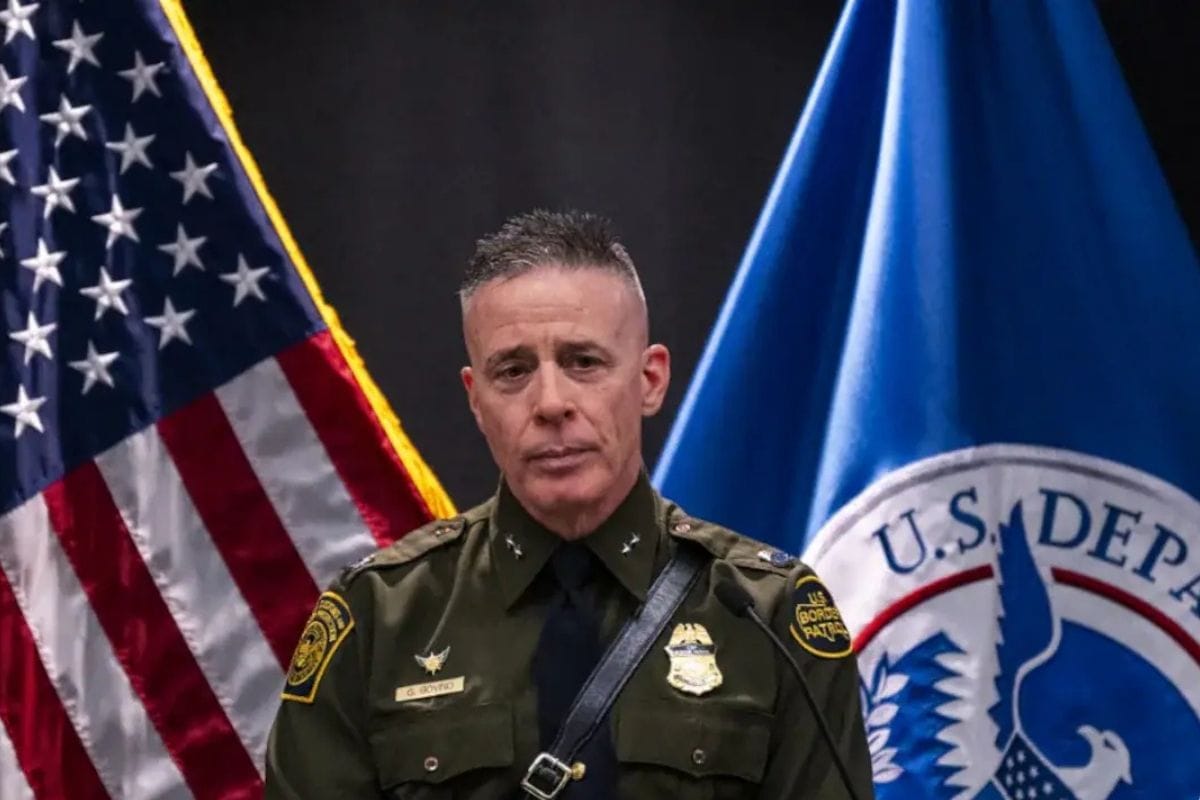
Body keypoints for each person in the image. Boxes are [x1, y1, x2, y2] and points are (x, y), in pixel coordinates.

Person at [265, 210, 875, 799]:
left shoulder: (768, 616)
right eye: (513, 371)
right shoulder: (379, 619)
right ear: (476, 400)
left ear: (650, 380)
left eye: (584, 362)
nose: (551, 402)